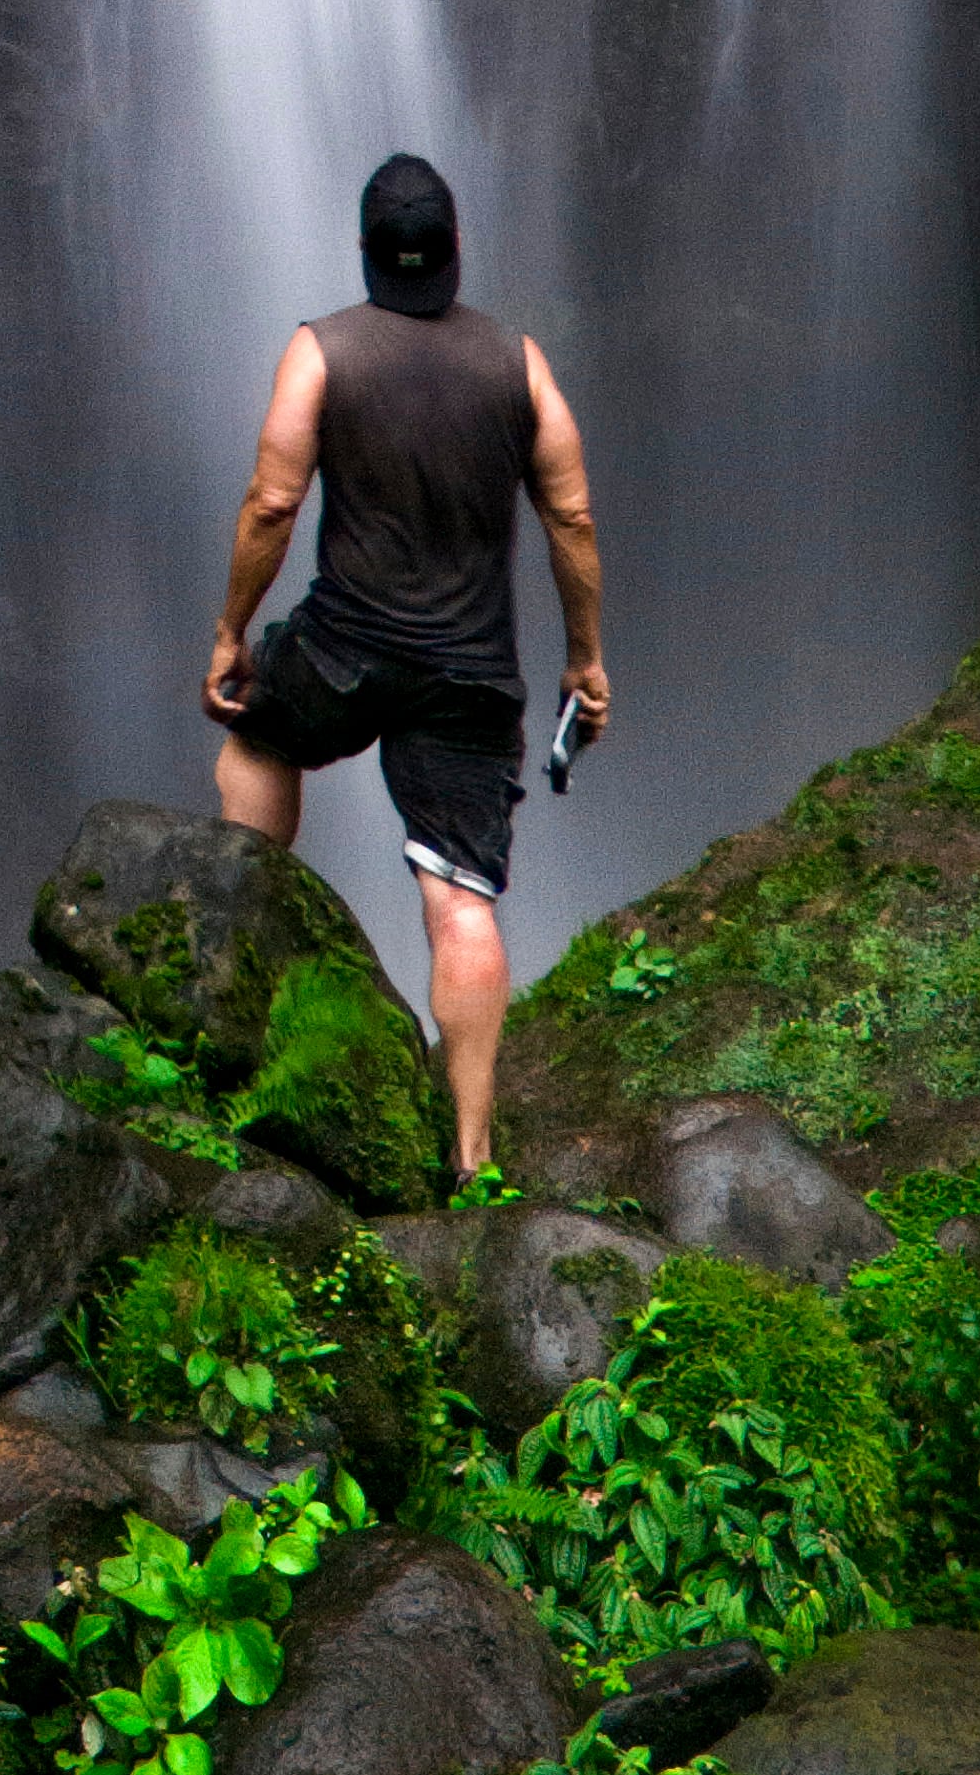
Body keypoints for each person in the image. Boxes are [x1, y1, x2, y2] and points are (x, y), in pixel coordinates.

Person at [201, 150, 608, 1185]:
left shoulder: (321, 352)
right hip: (468, 678)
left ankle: (240, 966)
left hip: (341, 650)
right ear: (457, 248)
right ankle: (473, 1154)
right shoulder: (520, 365)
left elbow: (271, 501)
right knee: (462, 898)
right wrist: (584, 661)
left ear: (363, 251)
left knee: (256, 734)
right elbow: (569, 513)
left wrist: (230, 634)